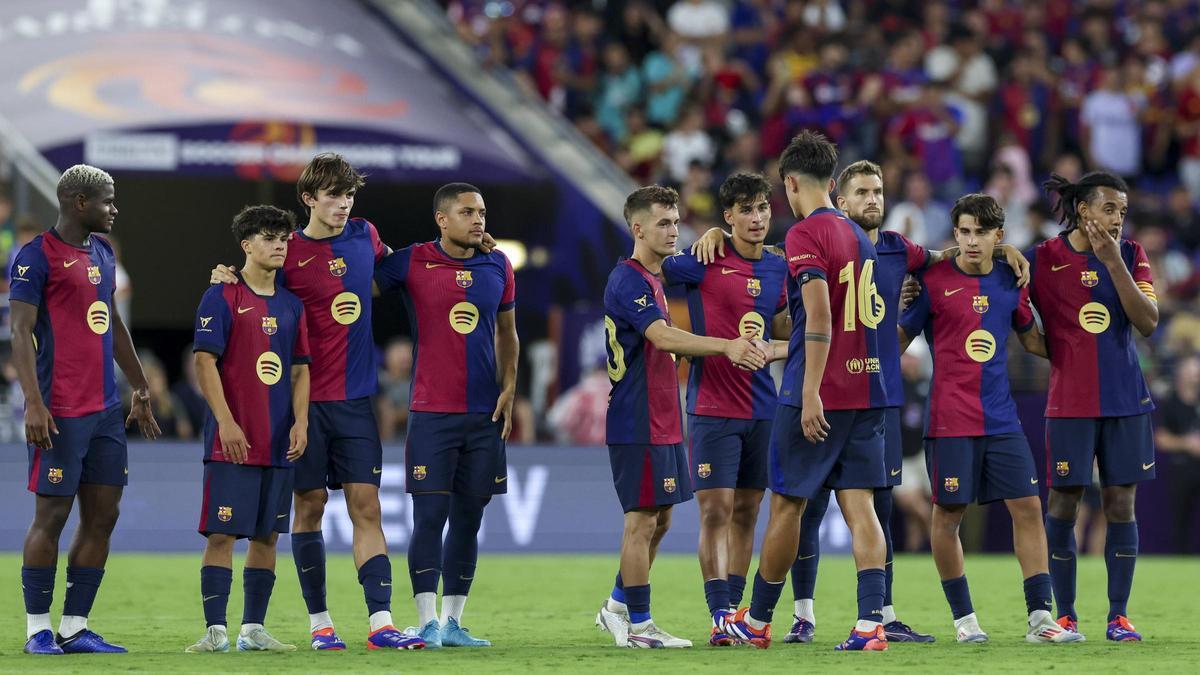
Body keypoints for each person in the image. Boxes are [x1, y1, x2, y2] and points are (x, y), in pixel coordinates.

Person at [210, 153, 425, 651]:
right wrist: (226, 278)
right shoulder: (288, 253)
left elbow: (396, 269)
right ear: (309, 199)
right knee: (308, 509)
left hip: (355, 401)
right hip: (300, 404)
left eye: (349, 195)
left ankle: (381, 622)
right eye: (333, 195)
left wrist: (472, 250)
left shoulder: (366, 236)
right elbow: (252, 297)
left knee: (366, 506)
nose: (343, 204)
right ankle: (321, 625)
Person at [724, 131, 892, 652]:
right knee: (861, 506)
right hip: (867, 389)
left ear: (791, 182)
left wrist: (812, 391)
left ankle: (755, 621)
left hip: (817, 392)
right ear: (834, 182)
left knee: (788, 508)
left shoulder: (805, 235)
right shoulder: (858, 234)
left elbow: (819, 317)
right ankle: (870, 625)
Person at [898, 193, 1079, 645]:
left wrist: (1084, 348)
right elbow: (898, 339)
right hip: (950, 419)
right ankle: (965, 622)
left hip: (1002, 419)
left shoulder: (1009, 279)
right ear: (954, 233)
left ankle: (1041, 620)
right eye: (964, 231)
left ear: (999, 235)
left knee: (1028, 509)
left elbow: (1034, 342)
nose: (971, 240)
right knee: (947, 517)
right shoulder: (933, 280)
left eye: (981, 232)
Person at [595, 185, 765, 649]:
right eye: (663, 223)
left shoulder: (653, 277)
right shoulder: (629, 279)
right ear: (638, 228)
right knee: (641, 521)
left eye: (675, 221)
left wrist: (715, 230)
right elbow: (663, 338)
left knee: (662, 518)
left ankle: (614, 608)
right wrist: (726, 346)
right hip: (637, 418)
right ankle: (640, 626)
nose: (673, 230)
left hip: (665, 417)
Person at [10, 164, 161, 655]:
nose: (114, 208)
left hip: (104, 411)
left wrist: (138, 386)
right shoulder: (36, 257)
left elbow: (111, 322)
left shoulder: (102, 252)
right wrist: (33, 403)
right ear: (79, 202)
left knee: (103, 516)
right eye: (107, 200)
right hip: (60, 410)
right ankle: (37, 629)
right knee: (51, 517)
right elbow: (19, 333)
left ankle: (74, 627)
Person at [373, 183, 519, 649]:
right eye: (467, 212)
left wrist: (511, 387)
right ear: (442, 219)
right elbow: (352, 282)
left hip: (484, 415)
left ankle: (454, 622)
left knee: (469, 519)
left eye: (482, 211)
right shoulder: (412, 261)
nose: (479, 220)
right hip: (432, 412)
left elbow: (508, 335)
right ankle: (426, 620)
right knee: (429, 516)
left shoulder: (498, 264)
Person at [659, 172, 788, 646]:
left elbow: (792, 330)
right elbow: (649, 264)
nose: (756, 219)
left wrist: (773, 349)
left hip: (762, 408)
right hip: (712, 406)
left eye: (763, 209)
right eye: (745, 211)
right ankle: (719, 615)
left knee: (748, 511)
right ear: (728, 216)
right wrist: (701, 237)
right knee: (715, 510)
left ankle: (735, 612)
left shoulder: (779, 268)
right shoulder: (702, 260)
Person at [1035, 171, 1159, 642]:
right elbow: (1013, 310)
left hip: (1126, 400)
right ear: (1083, 209)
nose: (1118, 219)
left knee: (1120, 503)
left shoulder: (1130, 254)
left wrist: (1112, 263)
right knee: (1063, 503)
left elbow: (1147, 321)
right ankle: (1065, 615)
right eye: (1109, 208)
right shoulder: (1044, 258)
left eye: (1123, 211)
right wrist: (1055, 352)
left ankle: (1118, 616)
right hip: (1070, 403)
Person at [186, 205, 311, 653]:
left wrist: (301, 421)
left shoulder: (292, 304)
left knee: (267, 536)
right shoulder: (220, 296)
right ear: (246, 245)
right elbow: (204, 362)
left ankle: (252, 630)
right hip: (233, 441)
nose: (279, 245)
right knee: (221, 535)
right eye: (268, 237)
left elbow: (299, 369)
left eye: (284, 238)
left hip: (279, 441)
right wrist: (226, 422)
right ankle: (216, 630)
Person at [1155, 354, 1200, 553]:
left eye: (1196, 371)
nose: (1194, 375)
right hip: (1182, 469)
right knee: (1180, 518)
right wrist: (1187, 443)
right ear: (1180, 374)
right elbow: (1161, 438)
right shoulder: (1171, 403)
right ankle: (1180, 557)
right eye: (1190, 370)